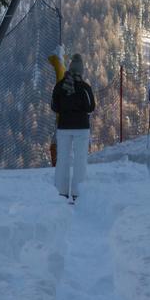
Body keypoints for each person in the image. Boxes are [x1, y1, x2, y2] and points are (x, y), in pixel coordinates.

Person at [51, 53, 95, 202]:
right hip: (81, 128)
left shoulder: (60, 86)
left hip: (63, 127)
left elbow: (54, 106)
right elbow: (91, 107)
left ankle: (61, 193)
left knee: (62, 159)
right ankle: (77, 193)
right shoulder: (84, 87)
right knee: (80, 160)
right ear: (81, 71)